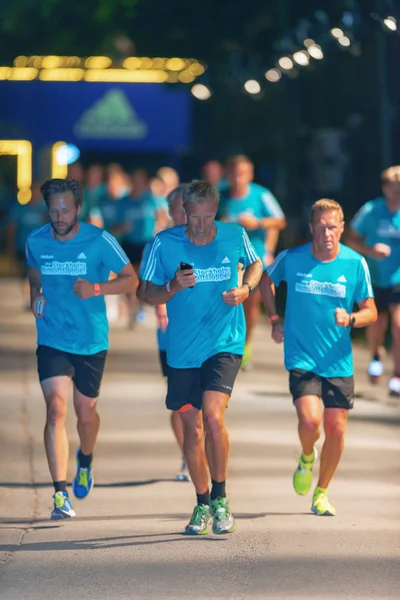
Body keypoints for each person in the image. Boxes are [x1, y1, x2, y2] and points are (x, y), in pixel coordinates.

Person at [144, 181, 262, 535]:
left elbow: (255, 265)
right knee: (191, 431)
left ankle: (222, 498)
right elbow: (145, 293)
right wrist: (172, 287)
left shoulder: (233, 234)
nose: (200, 224)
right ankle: (202, 502)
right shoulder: (164, 244)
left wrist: (245, 289)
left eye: (207, 217)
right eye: (193, 217)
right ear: (183, 212)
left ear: (216, 212)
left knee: (213, 418)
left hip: (224, 342)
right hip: (181, 351)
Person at [26, 178, 137, 520]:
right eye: (53, 210)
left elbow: (131, 279)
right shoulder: (36, 240)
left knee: (84, 412)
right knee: (56, 410)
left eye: (65, 209)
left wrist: (97, 288)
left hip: (90, 340)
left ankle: (85, 461)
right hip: (52, 338)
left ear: (78, 208)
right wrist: (36, 297)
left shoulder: (99, 240)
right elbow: (34, 275)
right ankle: (60, 494)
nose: (59, 216)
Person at [260, 199, 377, 516]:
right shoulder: (293, 258)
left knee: (336, 429)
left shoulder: (354, 264)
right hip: (302, 356)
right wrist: (274, 319)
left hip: (338, 360)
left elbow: (371, 311)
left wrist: (351, 319)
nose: (327, 233)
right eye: (321, 227)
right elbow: (265, 280)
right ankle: (307, 454)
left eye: (333, 227)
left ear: (342, 228)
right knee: (310, 421)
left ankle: (322, 492)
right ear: (311, 228)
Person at [137, 184, 190, 481]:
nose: (181, 213)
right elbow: (145, 289)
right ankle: (188, 454)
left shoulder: (211, 240)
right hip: (171, 336)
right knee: (181, 401)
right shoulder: (158, 244)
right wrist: (159, 308)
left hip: (208, 335)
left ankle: (201, 451)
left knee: (208, 402)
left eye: (186, 207)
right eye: (176, 209)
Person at [218, 154, 286, 370]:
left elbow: (280, 220)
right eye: (234, 174)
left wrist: (256, 223)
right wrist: (222, 223)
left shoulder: (261, 195)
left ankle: (245, 346)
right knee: (224, 302)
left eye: (243, 174)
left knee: (250, 303)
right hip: (226, 259)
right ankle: (224, 345)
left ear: (250, 175)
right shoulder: (220, 196)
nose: (238, 179)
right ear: (227, 175)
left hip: (254, 259)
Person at [347, 166, 400, 395]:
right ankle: (376, 354)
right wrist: (370, 250)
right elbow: (350, 240)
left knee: (398, 326)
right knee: (376, 323)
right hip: (375, 276)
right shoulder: (371, 210)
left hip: (398, 278)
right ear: (385, 188)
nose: (395, 191)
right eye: (391, 187)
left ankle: (397, 376)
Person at [7, 182, 47, 307]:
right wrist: (11, 245)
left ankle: (35, 297)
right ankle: (30, 298)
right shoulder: (21, 209)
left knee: (36, 273)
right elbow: (12, 228)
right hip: (23, 247)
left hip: (39, 249)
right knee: (26, 274)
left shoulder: (44, 211)